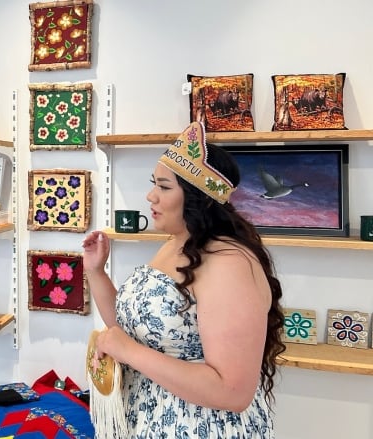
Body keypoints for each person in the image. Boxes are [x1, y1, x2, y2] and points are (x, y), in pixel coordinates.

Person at [82, 121, 284, 437]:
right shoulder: (176, 243)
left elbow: (232, 391)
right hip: (147, 419)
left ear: (197, 198)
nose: (151, 196)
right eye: (154, 184)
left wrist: (128, 352)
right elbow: (130, 331)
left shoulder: (228, 263)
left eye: (164, 187)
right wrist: (96, 272)